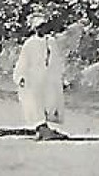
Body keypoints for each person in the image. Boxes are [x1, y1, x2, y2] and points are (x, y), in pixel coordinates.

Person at [13, 10, 67, 140]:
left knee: (49, 101)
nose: (41, 29)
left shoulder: (51, 42)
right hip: (33, 77)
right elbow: (23, 61)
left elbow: (56, 60)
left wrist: (60, 76)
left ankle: (45, 128)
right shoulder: (30, 43)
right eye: (38, 27)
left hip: (47, 76)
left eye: (43, 26)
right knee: (34, 101)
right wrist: (20, 76)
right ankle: (41, 128)